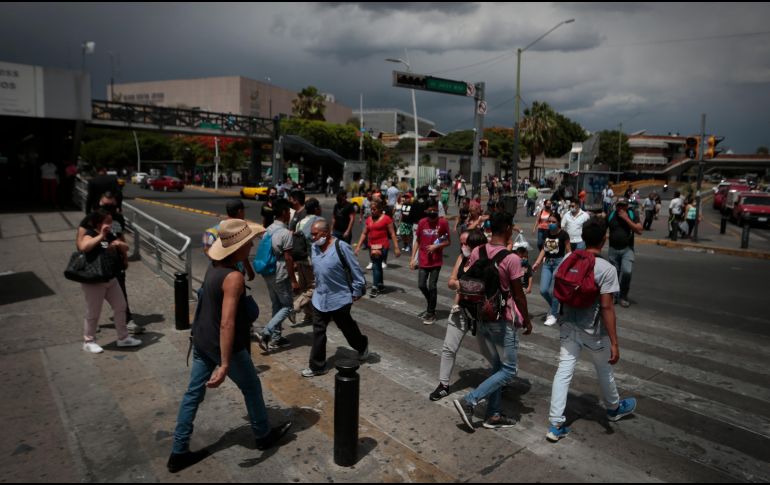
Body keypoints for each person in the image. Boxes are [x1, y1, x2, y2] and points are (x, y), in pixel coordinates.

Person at [167, 219, 292, 472]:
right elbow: (227, 323)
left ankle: (178, 452)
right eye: (249, 242)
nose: (252, 244)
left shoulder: (215, 267)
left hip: (202, 338)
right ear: (238, 247)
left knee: (193, 394)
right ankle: (262, 435)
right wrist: (224, 364)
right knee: (251, 387)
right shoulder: (233, 278)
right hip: (223, 345)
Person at [545, 217, 637, 442]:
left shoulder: (568, 258)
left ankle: (555, 424)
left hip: (568, 325)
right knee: (604, 370)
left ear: (583, 238)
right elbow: (606, 307)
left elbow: (556, 289)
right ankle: (614, 409)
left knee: (563, 371)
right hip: (593, 331)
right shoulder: (606, 268)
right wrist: (614, 342)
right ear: (604, 239)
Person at [452, 212, 533, 431]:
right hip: (502, 319)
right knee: (509, 370)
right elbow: (518, 294)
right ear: (507, 228)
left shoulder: (478, 251)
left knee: (497, 367)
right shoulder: (512, 258)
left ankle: (493, 415)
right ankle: (469, 401)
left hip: (480, 316)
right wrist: (526, 319)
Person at [301, 219, 370, 377]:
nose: (312, 237)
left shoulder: (342, 247)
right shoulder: (314, 247)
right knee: (318, 331)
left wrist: (357, 290)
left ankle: (362, 345)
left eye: (315, 234)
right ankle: (317, 366)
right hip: (320, 298)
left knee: (346, 327)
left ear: (325, 233)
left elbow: (355, 269)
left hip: (339, 298)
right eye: (311, 234)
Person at [429, 229, 487, 401]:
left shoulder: (486, 263)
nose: (462, 247)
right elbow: (450, 282)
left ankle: (501, 377)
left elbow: (484, 286)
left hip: (482, 313)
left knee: (489, 350)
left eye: (465, 243)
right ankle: (443, 385)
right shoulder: (461, 258)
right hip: (460, 309)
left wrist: (461, 284)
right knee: (448, 348)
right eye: (461, 243)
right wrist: (466, 285)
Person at [76, 209, 142, 354]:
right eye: (107, 222)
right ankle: (89, 341)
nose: (110, 225)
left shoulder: (111, 235)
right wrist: (101, 235)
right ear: (98, 223)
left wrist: (118, 244)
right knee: (94, 311)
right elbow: (84, 247)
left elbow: (126, 247)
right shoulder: (90, 234)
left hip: (111, 278)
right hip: (94, 280)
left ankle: (123, 338)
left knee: (121, 306)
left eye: (111, 222)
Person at [98, 191, 144, 335]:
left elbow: (121, 238)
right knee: (96, 294)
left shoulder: (117, 219)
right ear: (100, 203)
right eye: (106, 205)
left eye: (111, 205)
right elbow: (86, 243)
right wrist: (107, 246)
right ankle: (92, 322)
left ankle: (127, 318)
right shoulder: (93, 219)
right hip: (98, 263)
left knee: (121, 292)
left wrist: (124, 257)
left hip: (116, 262)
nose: (109, 208)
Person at [256, 199, 299, 351]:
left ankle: (276, 337)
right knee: (287, 306)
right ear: (283, 213)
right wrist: (294, 280)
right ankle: (266, 332)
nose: (289, 214)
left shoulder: (269, 229)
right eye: (288, 212)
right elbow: (288, 258)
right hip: (280, 273)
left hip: (267, 271)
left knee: (276, 304)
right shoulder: (285, 233)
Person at [410, 198, 451, 325]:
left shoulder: (443, 223)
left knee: (432, 286)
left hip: (436, 261)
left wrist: (436, 246)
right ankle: (431, 302)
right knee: (421, 285)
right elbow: (417, 241)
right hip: (423, 260)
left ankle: (431, 312)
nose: (432, 212)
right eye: (430, 210)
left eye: (435, 210)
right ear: (426, 210)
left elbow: (447, 241)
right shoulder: (422, 222)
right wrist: (413, 258)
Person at [355, 200, 401, 298]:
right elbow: (364, 233)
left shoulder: (387, 219)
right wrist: (358, 246)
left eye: (374, 209)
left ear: (380, 209)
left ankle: (375, 287)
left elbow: (392, 234)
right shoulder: (369, 220)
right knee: (377, 265)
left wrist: (396, 247)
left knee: (376, 265)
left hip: (383, 246)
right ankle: (380, 284)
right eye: (371, 209)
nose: (372, 211)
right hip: (372, 246)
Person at [532, 213, 571, 327]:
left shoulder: (564, 234)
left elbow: (569, 251)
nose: (550, 224)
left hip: (559, 263)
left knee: (552, 291)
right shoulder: (546, 233)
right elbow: (544, 249)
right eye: (549, 222)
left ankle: (553, 314)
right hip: (547, 263)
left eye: (553, 222)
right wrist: (537, 262)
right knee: (543, 290)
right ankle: (555, 306)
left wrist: (567, 265)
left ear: (558, 222)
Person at [203, 199, 257, 282]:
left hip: (215, 274)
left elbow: (207, 252)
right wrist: (249, 270)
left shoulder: (210, 232)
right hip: (235, 276)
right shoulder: (242, 231)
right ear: (240, 211)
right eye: (243, 211)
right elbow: (244, 254)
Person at [607, 198, 643, 308]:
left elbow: (639, 230)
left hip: (627, 249)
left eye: (623, 205)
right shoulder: (611, 215)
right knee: (614, 274)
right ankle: (614, 296)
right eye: (619, 205)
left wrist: (626, 218)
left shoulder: (632, 214)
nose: (621, 208)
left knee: (627, 271)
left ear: (627, 206)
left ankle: (623, 296)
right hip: (613, 249)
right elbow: (603, 228)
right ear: (616, 206)